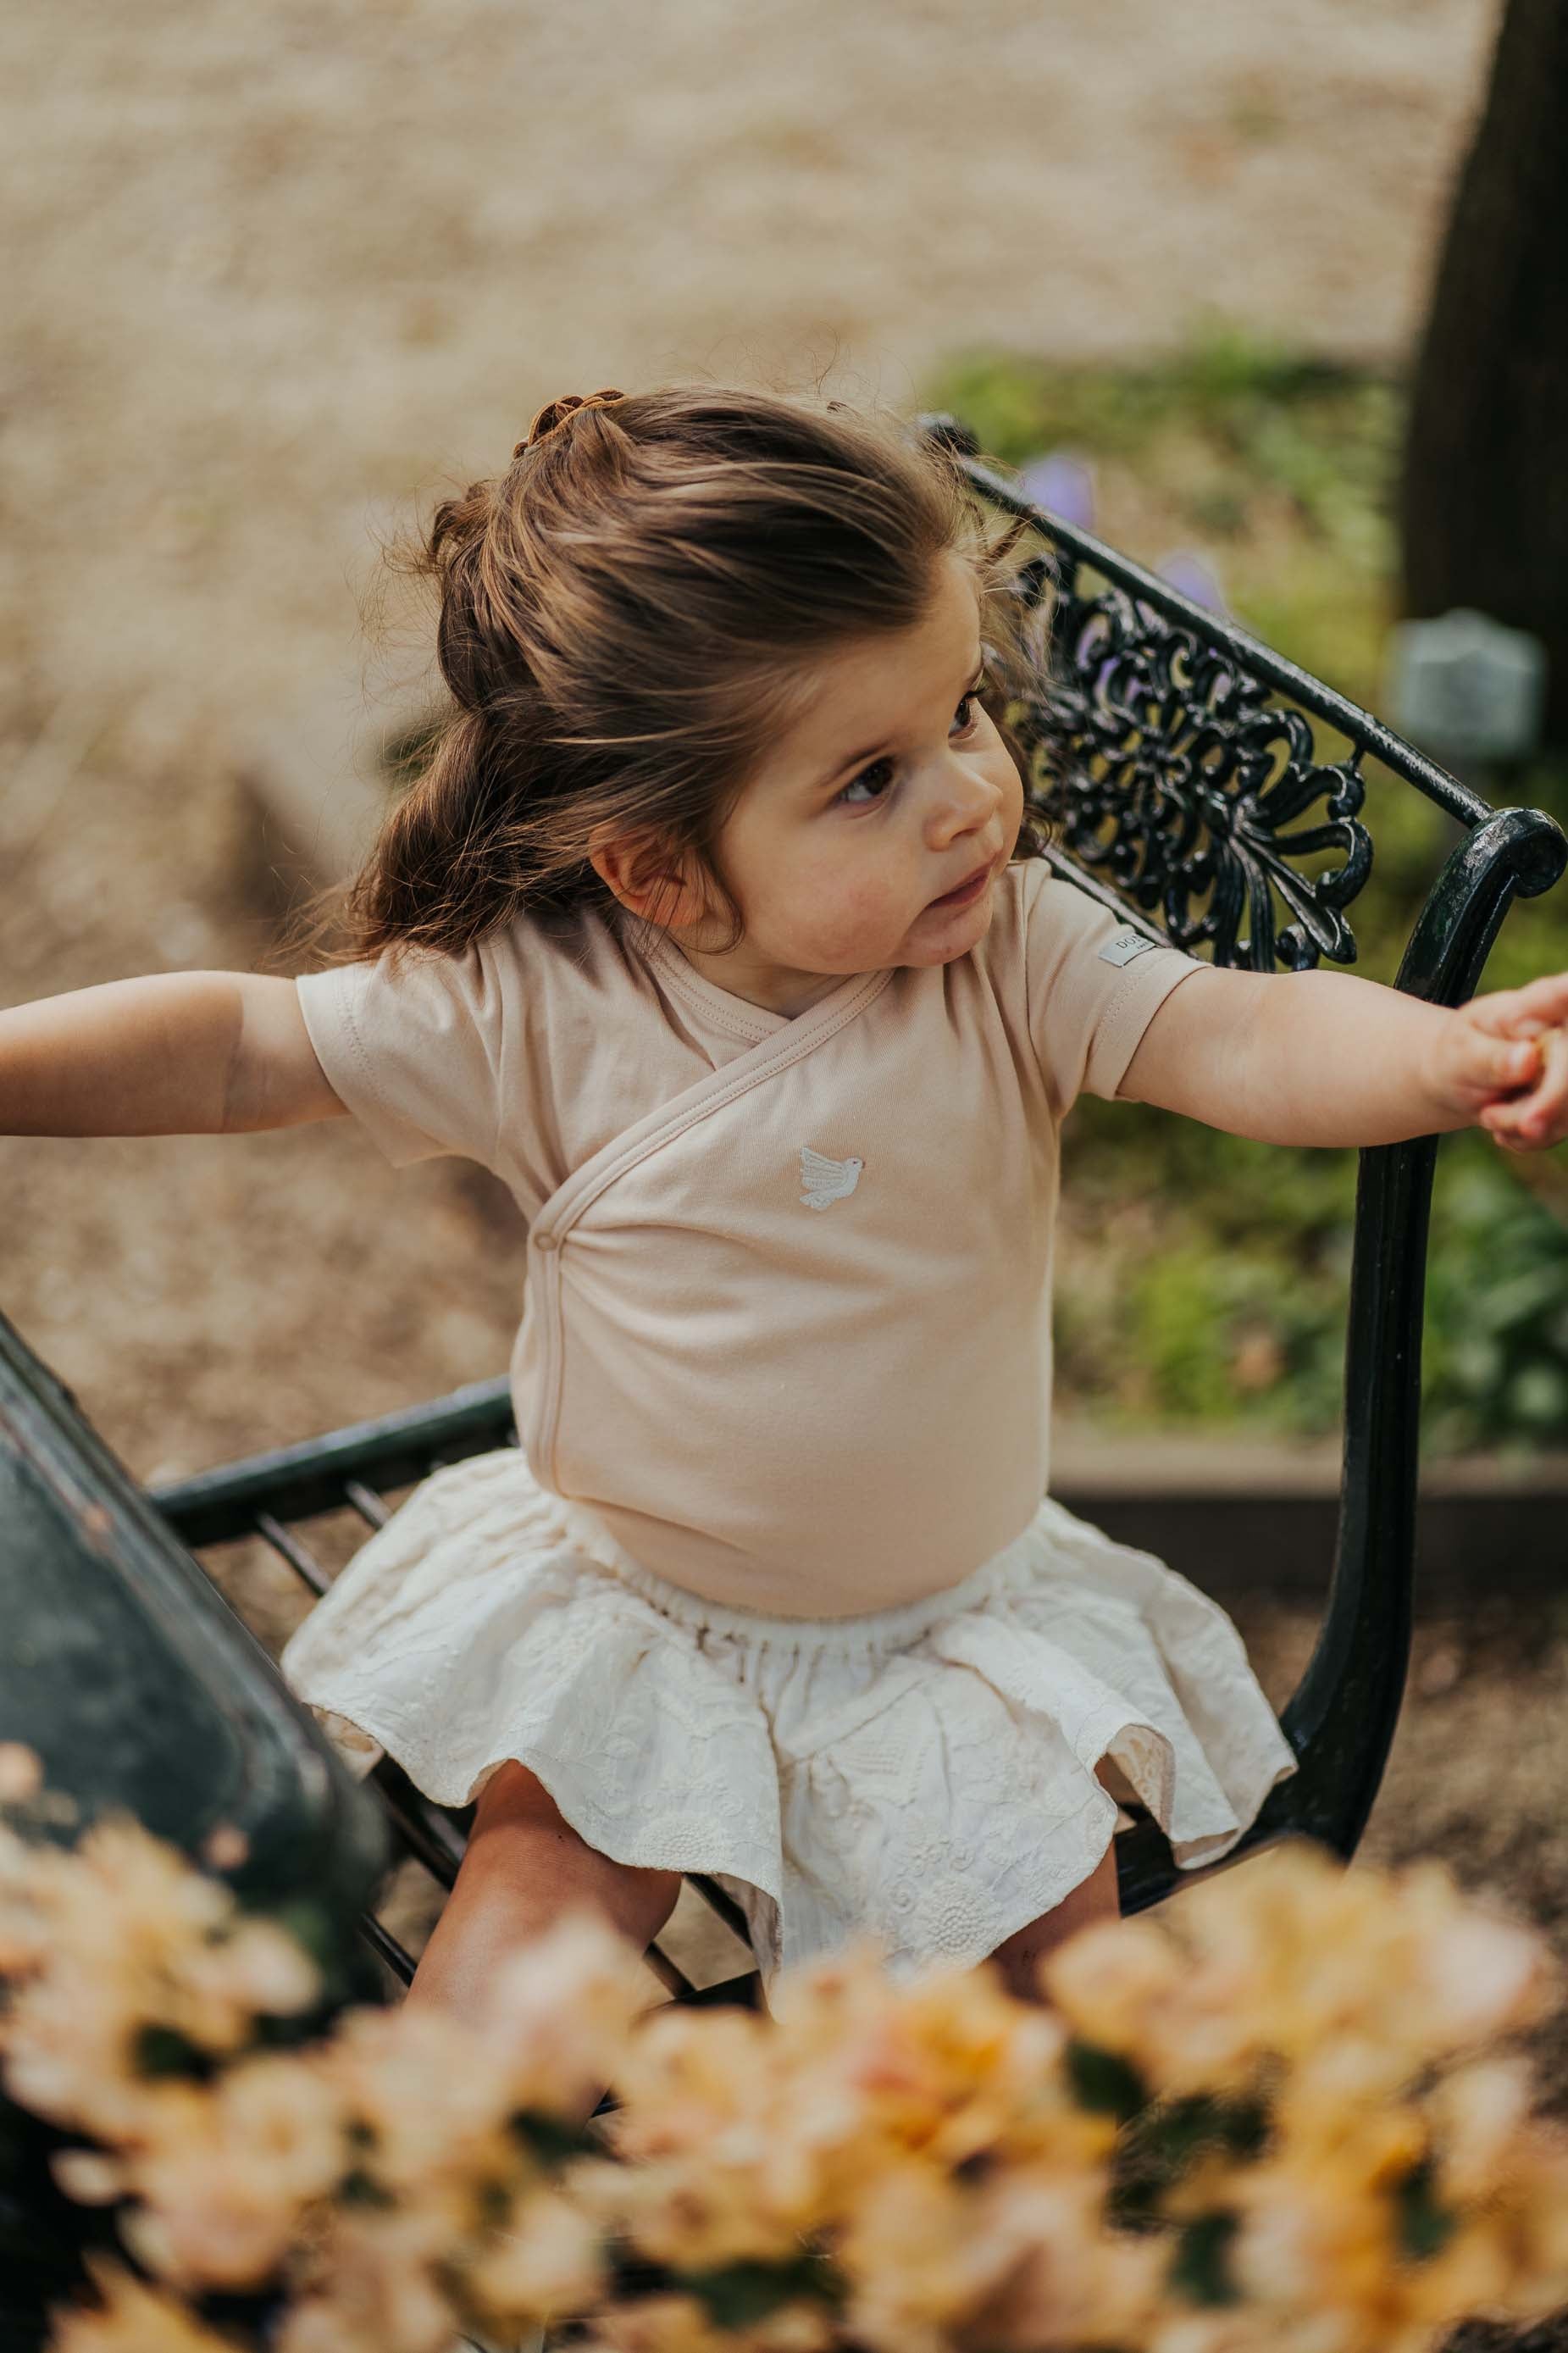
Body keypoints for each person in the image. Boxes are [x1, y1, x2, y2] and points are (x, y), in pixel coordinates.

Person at [6, 386, 1567, 2017]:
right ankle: (416, 2175)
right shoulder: (547, 1007)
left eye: (964, 712)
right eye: (870, 779)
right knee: (509, 1982)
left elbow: (1240, 1032)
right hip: (641, 1613)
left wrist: (1445, 1053)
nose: (968, 797)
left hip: (945, 1636)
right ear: (660, 870)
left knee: (1057, 2023)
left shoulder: (1016, 957)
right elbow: (242, 1047)